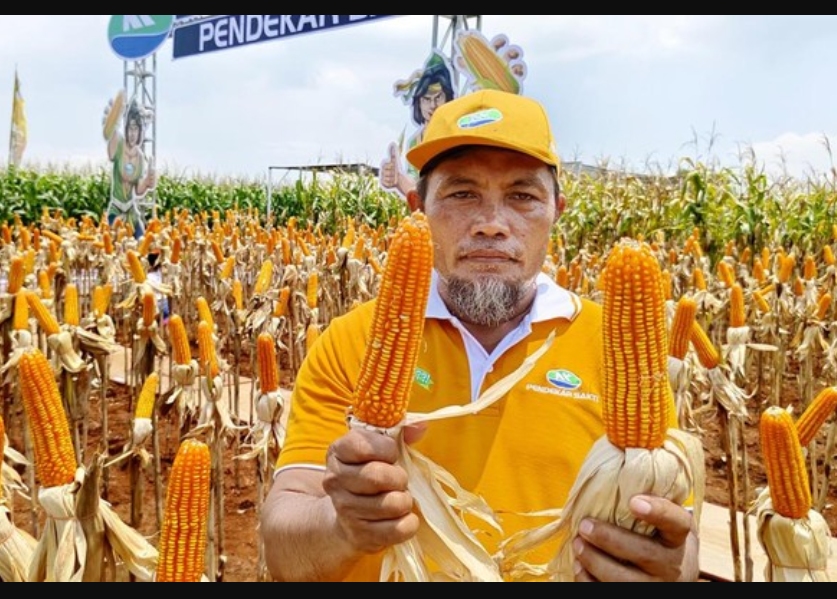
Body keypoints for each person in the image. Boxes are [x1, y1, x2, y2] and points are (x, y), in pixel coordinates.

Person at [262, 90, 699, 582]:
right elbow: (283, 550)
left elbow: (678, 538)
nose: (492, 225)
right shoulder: (349, 344)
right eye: (462, 194)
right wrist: (340, 526)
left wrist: (670, 568)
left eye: (522, 196)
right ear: (418, 206)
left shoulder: (615, 348)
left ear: (557, 209)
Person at [380, 52, 455, 200]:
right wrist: (398, 179)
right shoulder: (416, 142)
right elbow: (420, 191)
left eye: (438, 97)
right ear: (418, 103)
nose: (432, 105)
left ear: (448, 98)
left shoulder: (456, 136)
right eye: (426, 99)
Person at [103, 99, 156, 238]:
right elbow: (111, 147)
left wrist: (147, 183)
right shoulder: (119, 144)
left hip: (131, 211)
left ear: (140, 131)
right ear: (126, 128)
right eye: (130, 128)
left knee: (141, 243)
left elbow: (138, 190)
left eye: (136, 129)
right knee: (115, 245)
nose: (133, 133)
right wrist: (113, 122)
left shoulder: (139, 157)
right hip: (116, 209)